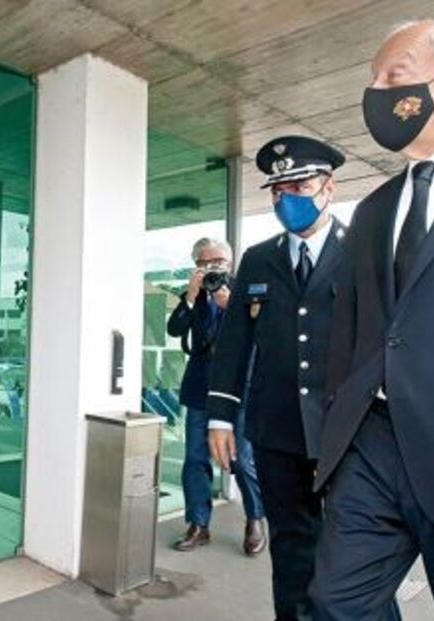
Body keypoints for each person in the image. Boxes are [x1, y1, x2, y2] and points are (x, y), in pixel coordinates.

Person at [310, 20, 434, 619]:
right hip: (373, 443)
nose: (378, 92)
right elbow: (352, 330)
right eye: (373, 79)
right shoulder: (374, 209)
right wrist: (342, 425)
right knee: (337, 604)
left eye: (395, 76)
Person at [207, 136, 346, 620]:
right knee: (290, 550)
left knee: (352, 552)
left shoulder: (361, 252)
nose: (287, 197)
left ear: (328, 187)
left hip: (345, 431)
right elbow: (234, 343)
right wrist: (220, 417)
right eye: (277, 189)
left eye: (300, 184)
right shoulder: (258, 259)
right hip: (276, 430)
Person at [166, 238, 266, 555]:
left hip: (238, 390)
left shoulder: (246, 291)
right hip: (200, 389)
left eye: (220, 261)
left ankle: (255, 519)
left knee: (242, 458)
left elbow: (264, 331)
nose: (214, 268)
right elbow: (173, 328)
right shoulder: (193, 294)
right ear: (196, 266)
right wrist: (192, 296)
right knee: (195, 459)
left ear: (230, 262)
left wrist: (234, 306)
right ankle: (198, 524)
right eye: (206, 263)